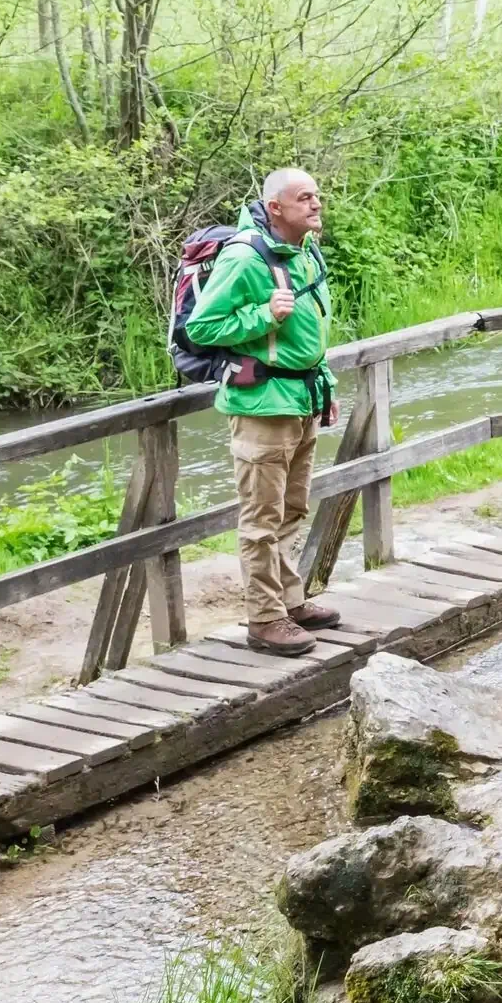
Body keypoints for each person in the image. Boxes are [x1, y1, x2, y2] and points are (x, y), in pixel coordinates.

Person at [184, 166, 343, 655]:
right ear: (276, 207)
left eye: (317, 195)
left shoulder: (304, 250)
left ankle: (291, 602)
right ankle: (264, 619)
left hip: (302, 398)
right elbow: (201, 328)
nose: (316, 204)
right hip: (262, 406)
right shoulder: (245, 258)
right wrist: (262, 314)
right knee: (260, 519)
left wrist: (326, 383)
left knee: (292, 509)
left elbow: (310, 333)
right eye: (304, 198)